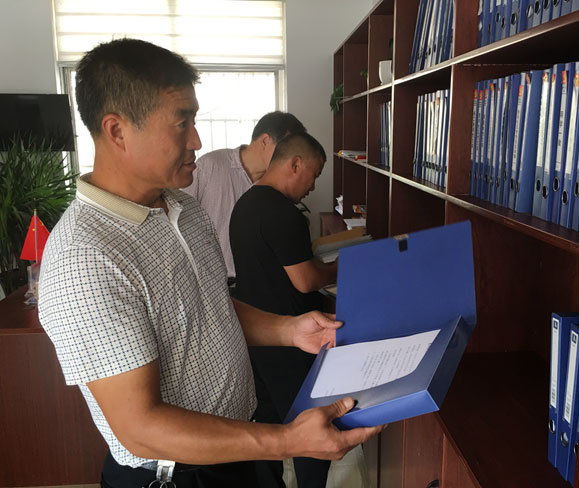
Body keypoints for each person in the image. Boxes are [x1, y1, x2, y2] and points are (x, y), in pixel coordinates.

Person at [37, 38, 380, 488]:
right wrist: (286, 440)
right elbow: (140, 427)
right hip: (176, 476)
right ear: (117, 130)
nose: (197, 141)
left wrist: (289, 330)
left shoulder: (184, 208)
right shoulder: (84, 258)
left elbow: (209, 306)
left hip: (238, 448)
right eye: (182, 123)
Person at [230, 132, 338, 488]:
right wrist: (339, 267)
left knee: (267, 420)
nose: (312, 186)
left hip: (255, 336)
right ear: (295, 164)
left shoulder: (245, 203)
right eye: (314, 174)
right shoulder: (283, 214)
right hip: (291, 338)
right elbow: (306, 281)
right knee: (311, 424)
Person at [183, 111, 306, 279]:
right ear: (265, 141)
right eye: (287, 149)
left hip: (253, 284)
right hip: (208, 281)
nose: (290, 158)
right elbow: (179, 219)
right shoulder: (210, 166)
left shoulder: (277, 186)